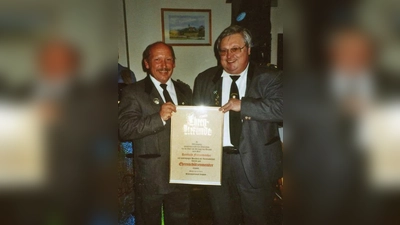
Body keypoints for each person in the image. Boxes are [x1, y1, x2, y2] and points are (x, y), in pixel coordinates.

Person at [193, 25, 283, 225]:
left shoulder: (270, 77)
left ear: (248, 49)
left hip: (257, 164)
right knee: (223, 219)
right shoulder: (205, 79)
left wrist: (243, 105)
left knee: (258, 219)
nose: (229, 55)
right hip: (218, 165)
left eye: (236, 49)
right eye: (223, 51)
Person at [118, 41, 192, 225]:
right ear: (146, 63)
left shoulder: (185, 89)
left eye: (168, 59)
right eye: (157, 59)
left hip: (182, 172)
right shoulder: (133, 92)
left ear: (174, 63)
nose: (164, 65)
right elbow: (124, 129)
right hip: (151, 176)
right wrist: (158, 118)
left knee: (180, 220)